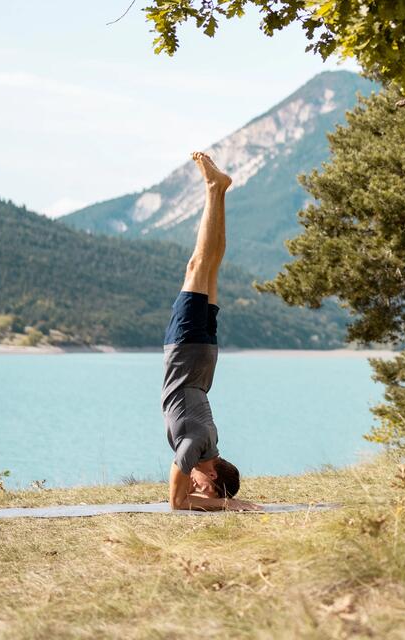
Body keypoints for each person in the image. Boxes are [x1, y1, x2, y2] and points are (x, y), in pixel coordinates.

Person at [163, 151, 260, 512]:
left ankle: (218, 191)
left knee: (211, 266)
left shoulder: (212, 442)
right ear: (214, 477)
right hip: (185, 352)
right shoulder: (195, 446)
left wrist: (216, 500)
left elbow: (186, 493)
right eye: (204, 487)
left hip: (203, 362)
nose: (197, 487)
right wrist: (225, 505)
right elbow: (176, 502)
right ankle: (212, 188)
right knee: (198, 264)